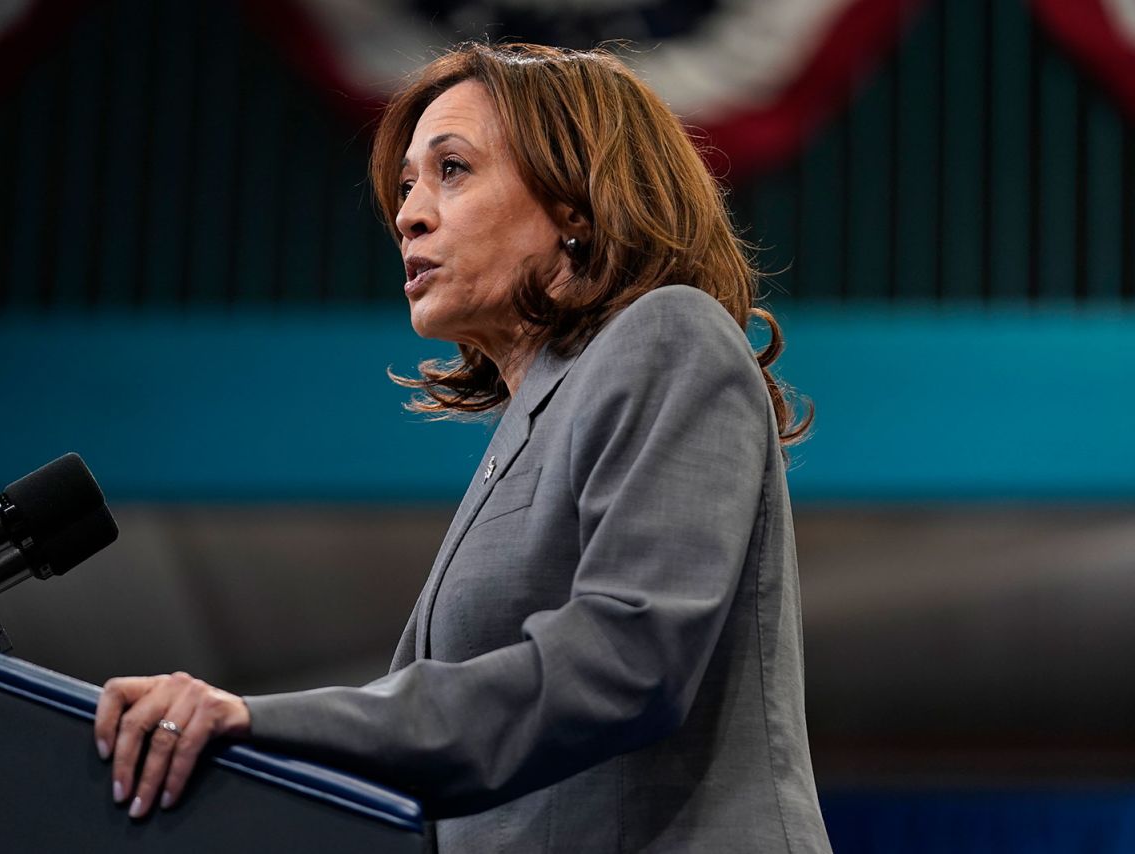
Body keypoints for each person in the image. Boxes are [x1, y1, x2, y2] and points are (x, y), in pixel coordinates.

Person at [95, 42, 831, 852]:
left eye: (452, 170)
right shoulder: (522, 432)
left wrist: (260, 724)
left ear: (576, 205)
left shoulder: (668, 333)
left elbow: (626, 659)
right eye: (408, 184)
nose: (409, 212)